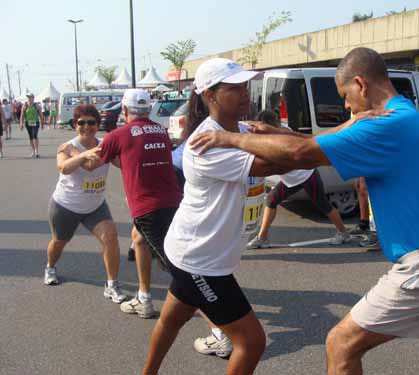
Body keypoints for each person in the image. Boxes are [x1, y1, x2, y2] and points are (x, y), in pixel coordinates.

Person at [190, 48, 419, 375]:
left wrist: (230, 139)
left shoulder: (385, 127)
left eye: (345, 96)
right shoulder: (402, 113)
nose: (346, 106)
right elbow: (323, 143)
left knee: (340, 344)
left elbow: (300, 154)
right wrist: (279, 133)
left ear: (360, 84)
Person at [140, 58, 293, 375]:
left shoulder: (237, 130)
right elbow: (277, 163)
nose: (245, 93)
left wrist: (266, 133)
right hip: (201, 261)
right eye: (234, 87)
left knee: (172, 320)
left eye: (245, 86)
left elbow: (277, 146)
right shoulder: (206, 143)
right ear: (210, 95)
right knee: (251, 343)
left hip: (192, 250)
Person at [99, 88, 182, 319]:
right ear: (149, 109)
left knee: (182, 272)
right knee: (138, 240)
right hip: (174, 201)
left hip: (149, 209)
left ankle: (220, 330)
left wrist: (71, 154)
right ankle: (144, 298)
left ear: (124, 109)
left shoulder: (118, 135)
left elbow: (94, 162)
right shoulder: (161, 131)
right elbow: (135, 160)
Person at [44, 104, 126, 304]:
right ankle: (50, 267)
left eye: (91, 122)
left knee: (111, 237)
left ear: (98, 125)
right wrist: (79, 154)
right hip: (65, 206)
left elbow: (122, 164)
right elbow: (63, 168)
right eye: (81, 123)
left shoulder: (105, 145)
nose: (86, 127)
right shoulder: (67, 147)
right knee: (59, 242)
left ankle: (112, 284)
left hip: (95, 206)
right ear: (75, 125)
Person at [246, 109, 351, 248]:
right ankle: (262, 238)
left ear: (270, 125)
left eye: (262, 126)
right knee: (271, 200)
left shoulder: (281, 135)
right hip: (291, 178)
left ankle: (343, 233)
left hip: (306, 175)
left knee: (323, 205)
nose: (259, 129)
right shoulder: (275, 132)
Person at [20, 93, 43, 157]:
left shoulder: (36, 105)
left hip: (36, 122)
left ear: (33, 98)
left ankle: (36, 151)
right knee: (30, 137)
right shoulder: (25, 105)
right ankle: (33, 151)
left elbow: (41, 115)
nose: (29, 98)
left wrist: (42, 123)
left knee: (35, 135)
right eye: (28, 97)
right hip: (28, 123)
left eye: (30, 97)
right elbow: (22, 115)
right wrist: (21, 123)